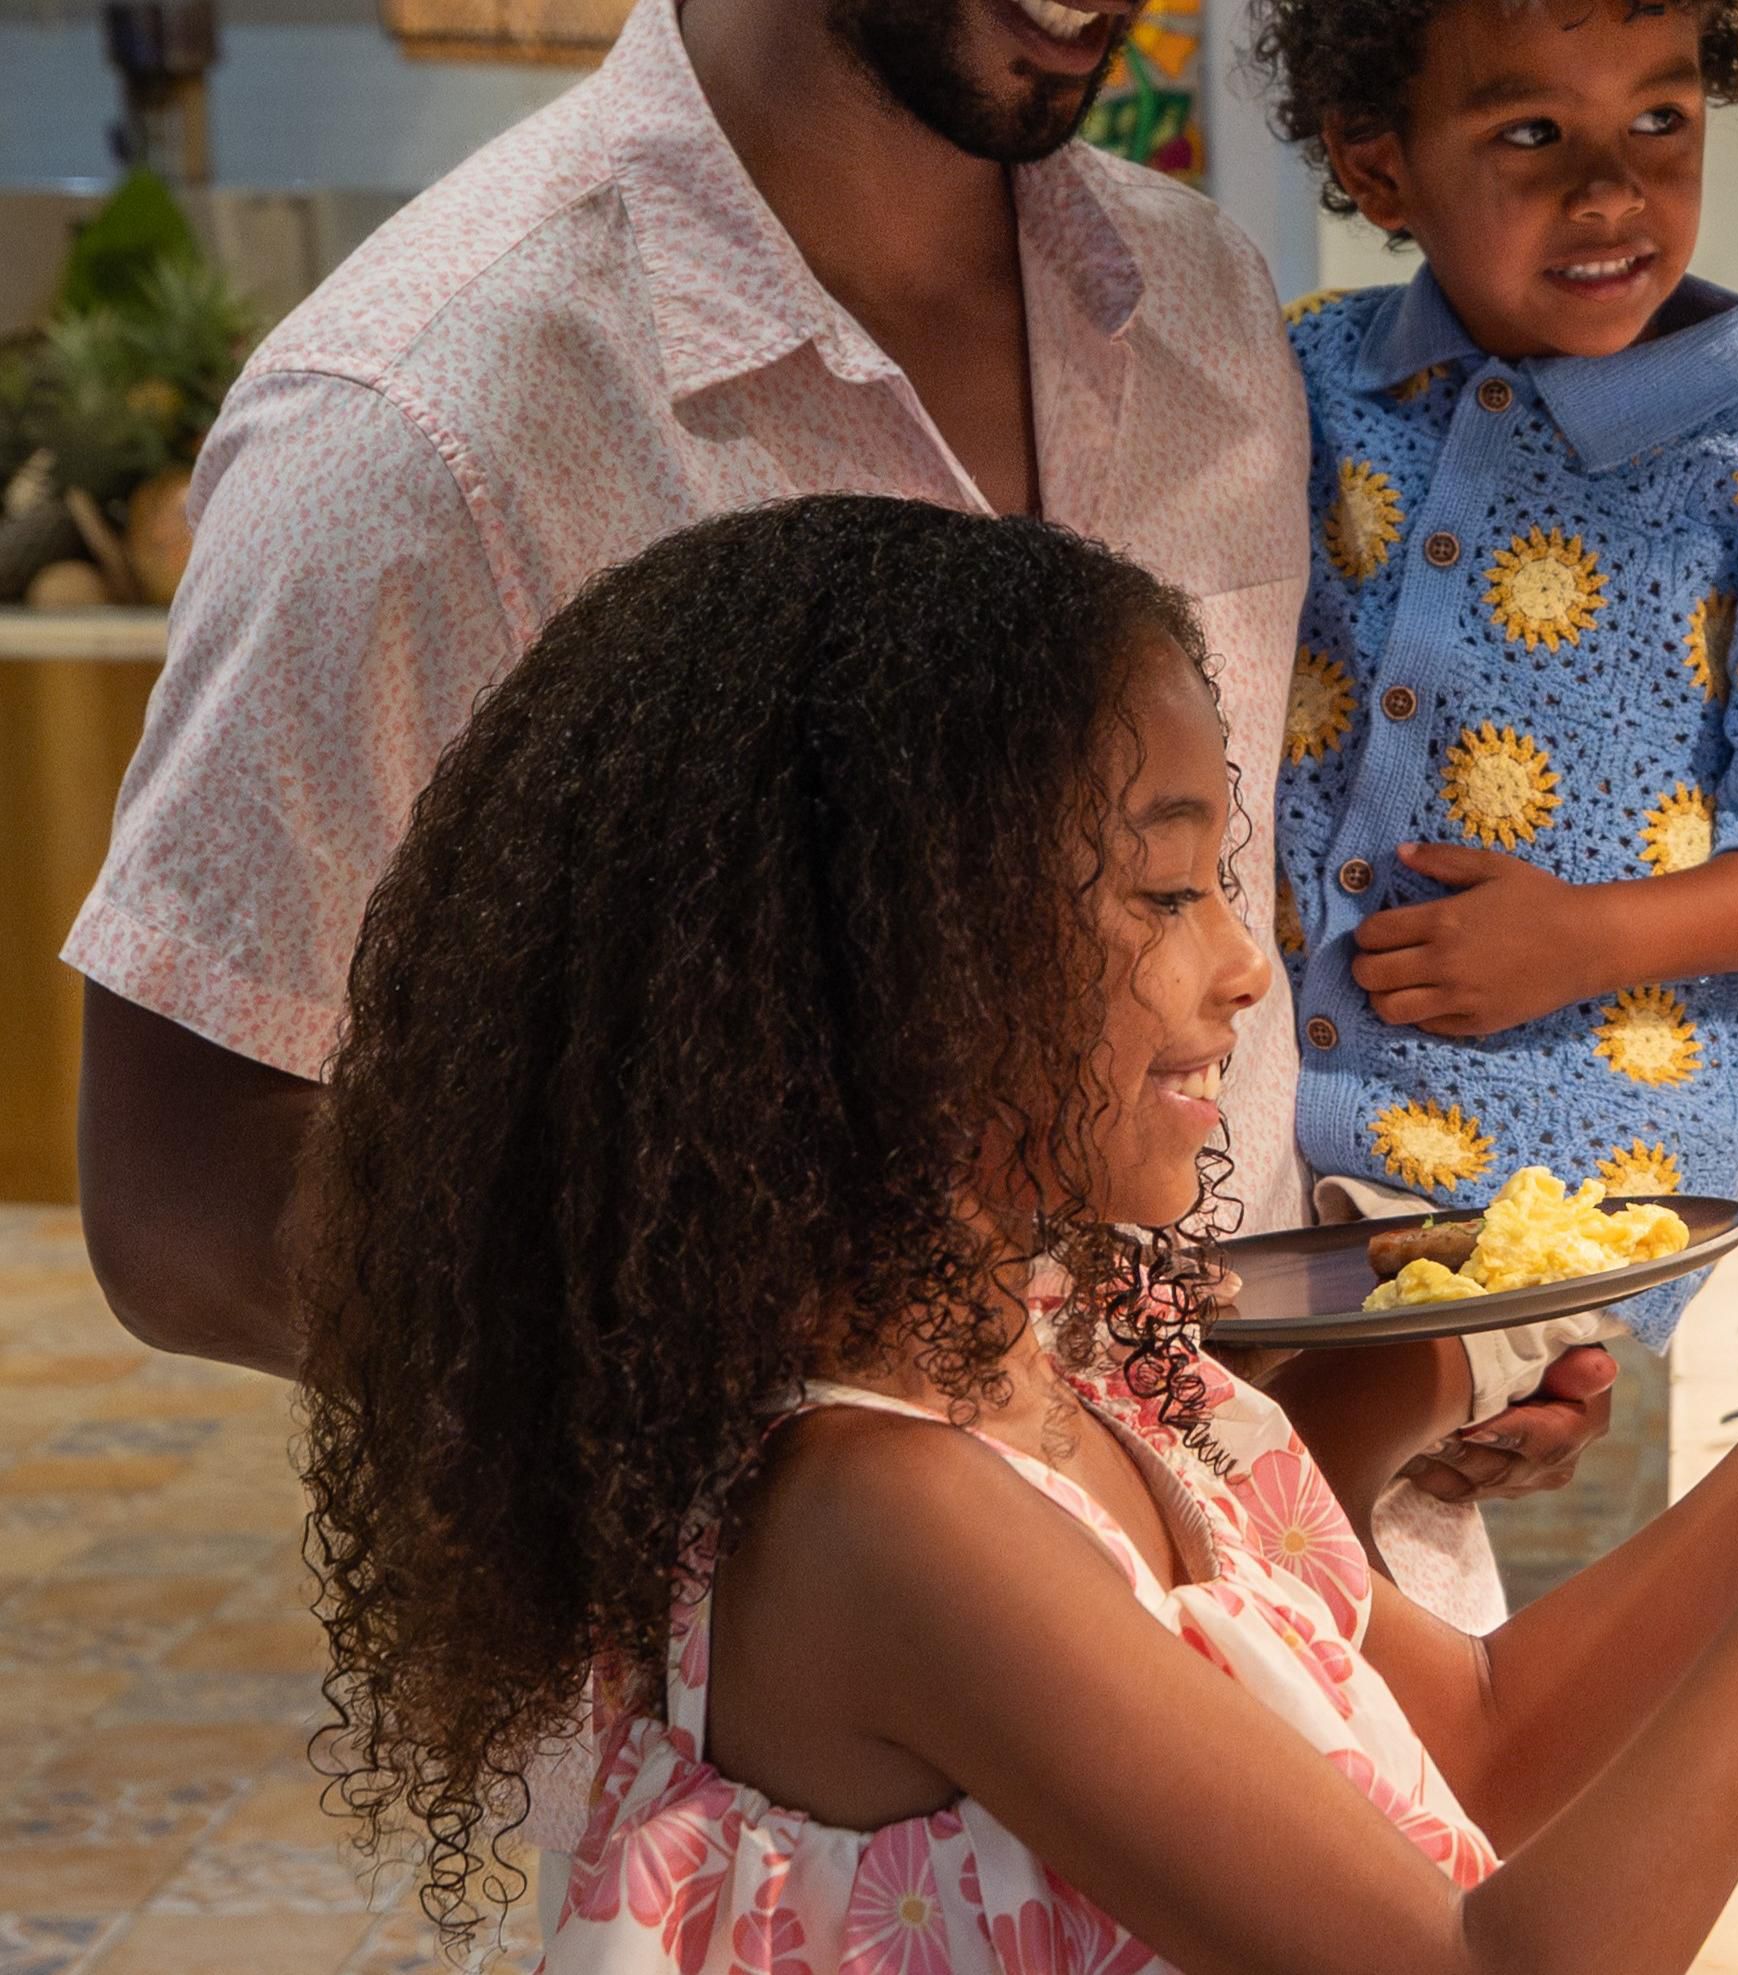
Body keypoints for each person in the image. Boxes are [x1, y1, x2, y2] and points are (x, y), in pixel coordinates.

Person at [294, 495, 1738, 1970]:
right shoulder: (880, 1517)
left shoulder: (1087, 1354)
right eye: (1163, 889)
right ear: (881, 960)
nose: (1243, 972)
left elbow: (1478, 1728)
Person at [61, 0, 1613, 1560]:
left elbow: (1227, 950)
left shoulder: (1202, 296)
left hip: (1319, 1558)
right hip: (825, 1707)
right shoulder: (422, 421)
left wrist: (1378, 1321)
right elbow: (186, 1206)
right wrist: (905, 1392)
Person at [1243, 0, 1738, 1612]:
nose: (1611, 193)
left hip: (1586, 1209)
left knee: (1559, 1703)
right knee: (1308, 1694)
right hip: (1284, 1187)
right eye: (1526, 134)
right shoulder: (1300, 384)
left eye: (1659, 124)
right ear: (1377, 163)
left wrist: (1579, 943)